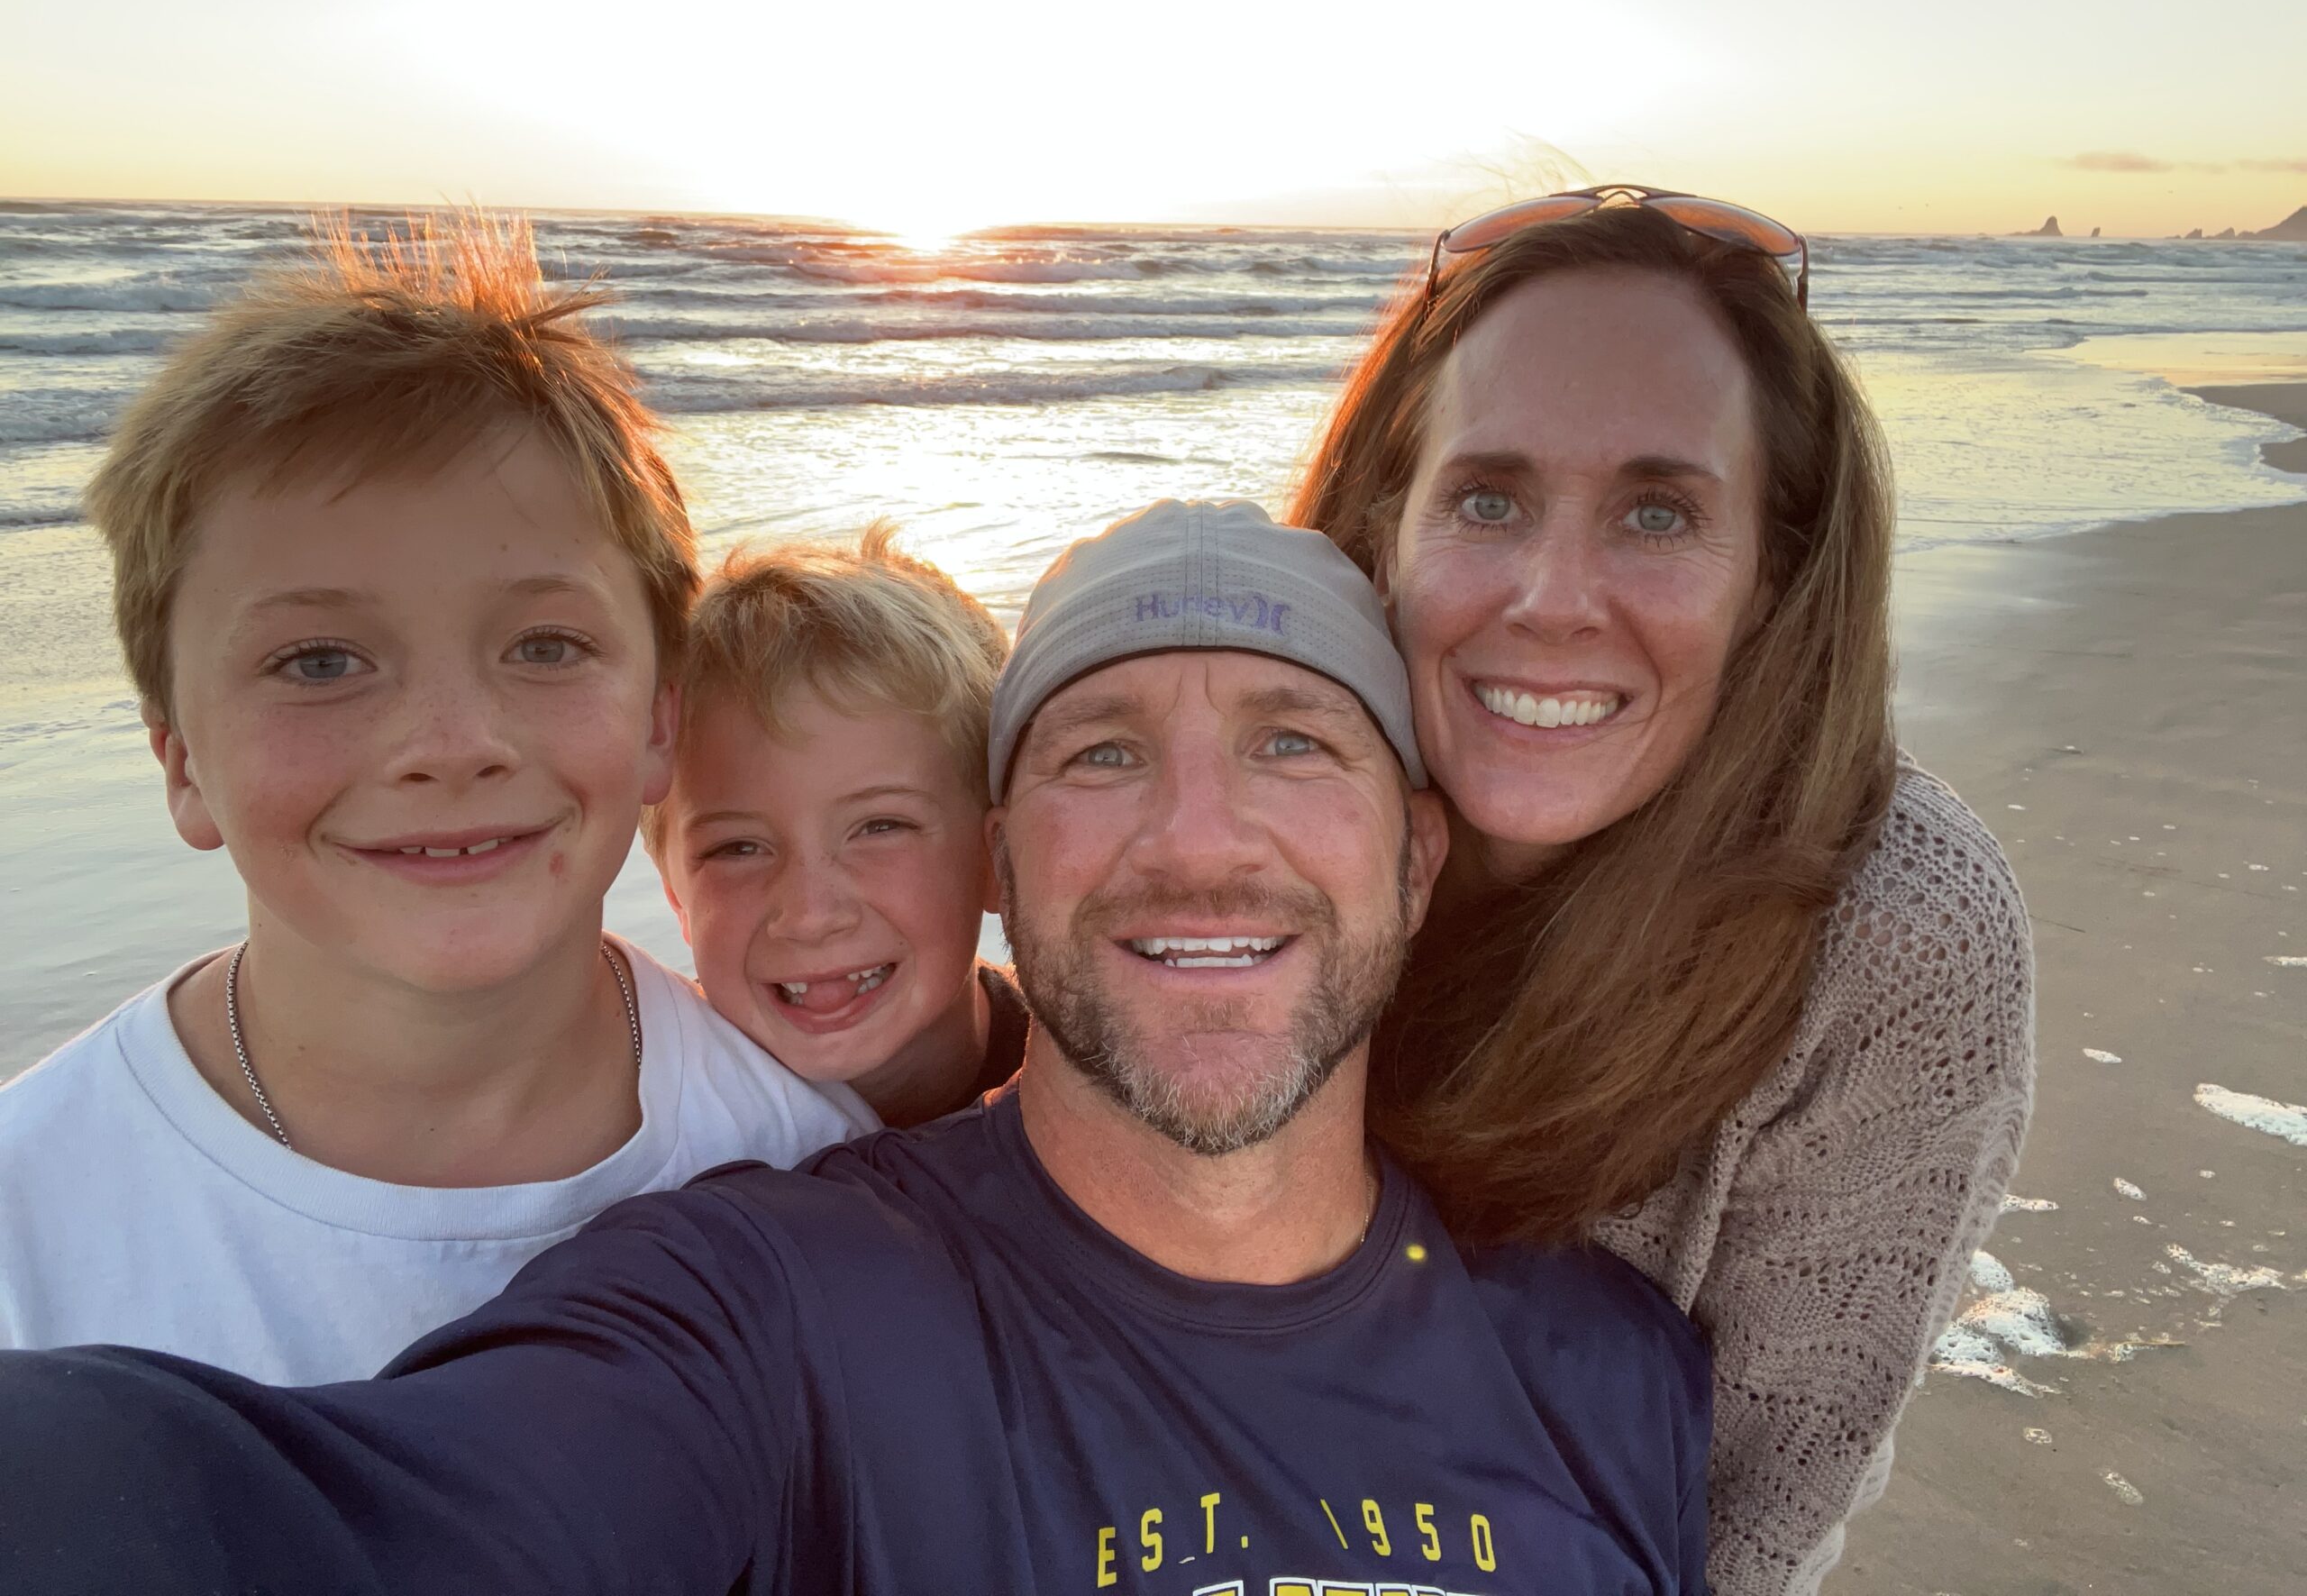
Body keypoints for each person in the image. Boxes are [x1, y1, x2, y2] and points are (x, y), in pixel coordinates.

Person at [0, 500, 1710, 1596]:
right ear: (1013, 854)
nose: (1199, 838)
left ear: (1416, 853)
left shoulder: (1615, 1368)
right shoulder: (766, 1292)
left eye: (1292, 743)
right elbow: (380, 1518)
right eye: (1102, 754)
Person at [1289, 187, 2036, 1596]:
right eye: (1489, 498)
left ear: (1774, 575)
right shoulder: (1258, 808)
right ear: (1388, 525)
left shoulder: (1891, 933)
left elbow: (1758, 1511)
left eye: (1657, 510)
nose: (1554, 597)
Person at [0, 218, 870, 1386]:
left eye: (547, 646)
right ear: (182, 761)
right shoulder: (32, 1237)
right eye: (319, 662)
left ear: (659, 721)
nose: (451, 746)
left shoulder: (810, 1172)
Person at [643, 526, 1028, 1126]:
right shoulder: (649, 1123)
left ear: (997, 860)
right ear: (675, 896)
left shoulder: (1101, 1091)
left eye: (880, 827)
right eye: (737, 848)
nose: (809, 915)